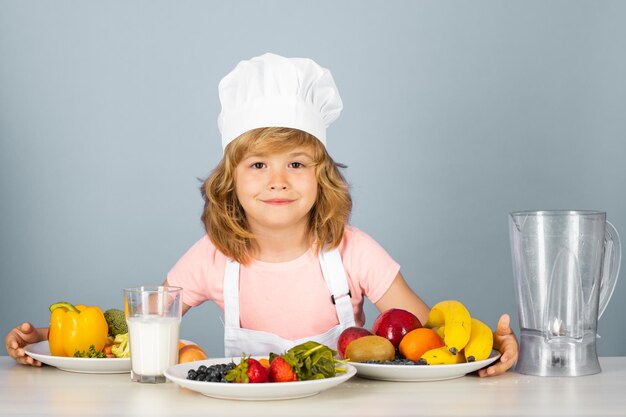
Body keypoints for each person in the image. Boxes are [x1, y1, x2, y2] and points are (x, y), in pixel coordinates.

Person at [5, 53, 518, 376]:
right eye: (258, 164)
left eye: (297, 163)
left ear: (323, 177)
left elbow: (424, 337)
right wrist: (52, 341)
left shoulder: (353, 251)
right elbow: (138, 334)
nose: (278, 180)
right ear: (230, 181)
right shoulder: (212, 258)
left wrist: (486, 350)